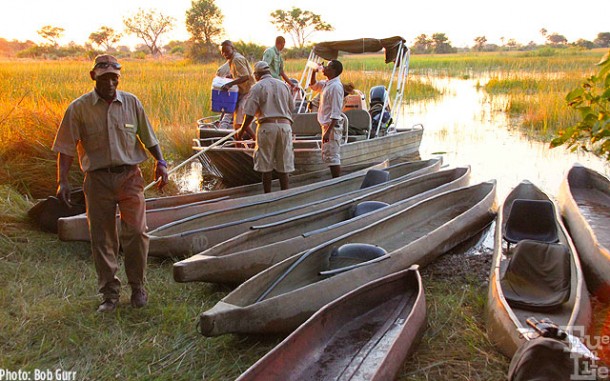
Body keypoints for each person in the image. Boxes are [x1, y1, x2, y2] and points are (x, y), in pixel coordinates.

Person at [52, 54, 169, 313]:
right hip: (97, 181)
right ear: (94, 76)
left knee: (137, 232)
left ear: (119, 77)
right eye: (104, 77)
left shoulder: (132, 103)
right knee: (102, 238)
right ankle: (110, 294)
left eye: (114, 77)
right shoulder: (79, 108)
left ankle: (137, 287)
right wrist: (62, 181)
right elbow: (66, 148)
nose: (110, 82)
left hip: (129, 177)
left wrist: (161, 162)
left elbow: (148, 137)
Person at [236, 61, 295, 193]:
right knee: (284, 164)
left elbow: (249, 114)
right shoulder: (283, 86)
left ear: (257, 75)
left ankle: (267, 195)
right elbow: (291, 108)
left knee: (265, 164)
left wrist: (241, 131)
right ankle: (285, 193)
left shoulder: (258, 87)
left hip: (267, 127)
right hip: (285, 127)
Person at [309, 59, 344, 178]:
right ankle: (334, 179)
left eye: (328, 67)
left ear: (334, 70)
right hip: (326, 126)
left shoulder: (336, 87)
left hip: (332, 127)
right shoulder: (326, 83)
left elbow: (336, 112)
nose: (325, 68)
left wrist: (328, 132)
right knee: (328, 154)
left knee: (333, 156)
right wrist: (314, 71)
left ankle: (336, 181)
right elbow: (313, 85)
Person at [219, 40, 256, 133]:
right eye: (222, 52)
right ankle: (235, 137)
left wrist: (229, 84)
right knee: (231, 111)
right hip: (241, 91)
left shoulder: (236, 59)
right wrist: (231, 77)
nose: (224, 54)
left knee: (240, 120)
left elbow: (246, 76)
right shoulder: (231, 60)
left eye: (227, 51)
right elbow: (240, 74)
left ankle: (251, 138)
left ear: (233, 49)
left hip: (248, 91)